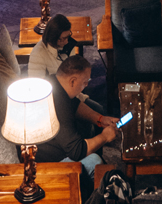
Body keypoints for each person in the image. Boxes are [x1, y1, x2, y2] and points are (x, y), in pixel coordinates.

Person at [34, 55, 117, 193]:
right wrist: (104, 137)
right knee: (95, 161)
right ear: (72, 81)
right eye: (85, 82)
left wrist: (100, 119)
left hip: (53, 145)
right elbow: (77, 151)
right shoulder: (58, 106)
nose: (87, 85)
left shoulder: (54, 82)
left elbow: (74, 104)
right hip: (46, 164)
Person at [27, 15, 77, 80]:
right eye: (62, 39)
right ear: (53, 38)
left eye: (68, 36)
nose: (66, 42)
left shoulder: (69, 44)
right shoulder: (38, 53)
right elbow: (37, 82)